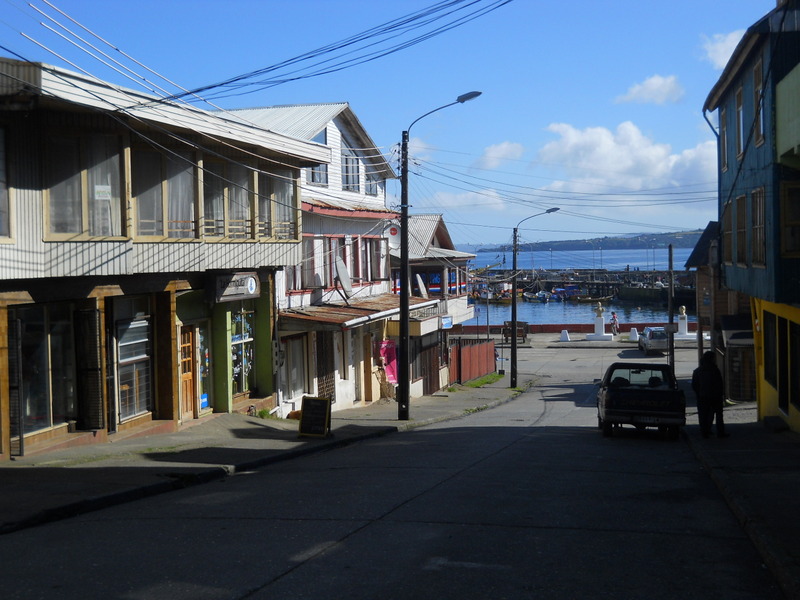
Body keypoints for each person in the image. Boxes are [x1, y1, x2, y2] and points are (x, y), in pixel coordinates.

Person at [691, 351, 729, 438]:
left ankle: (705, 432)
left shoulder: (698, 371)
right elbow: (719, 383)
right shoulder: (715, 370)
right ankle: (720, 432)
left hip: (703, 396)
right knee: (718, 415)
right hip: (715, 396)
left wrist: (699, 393)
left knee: (703, 415)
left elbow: (694, 385)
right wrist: (720, 394)